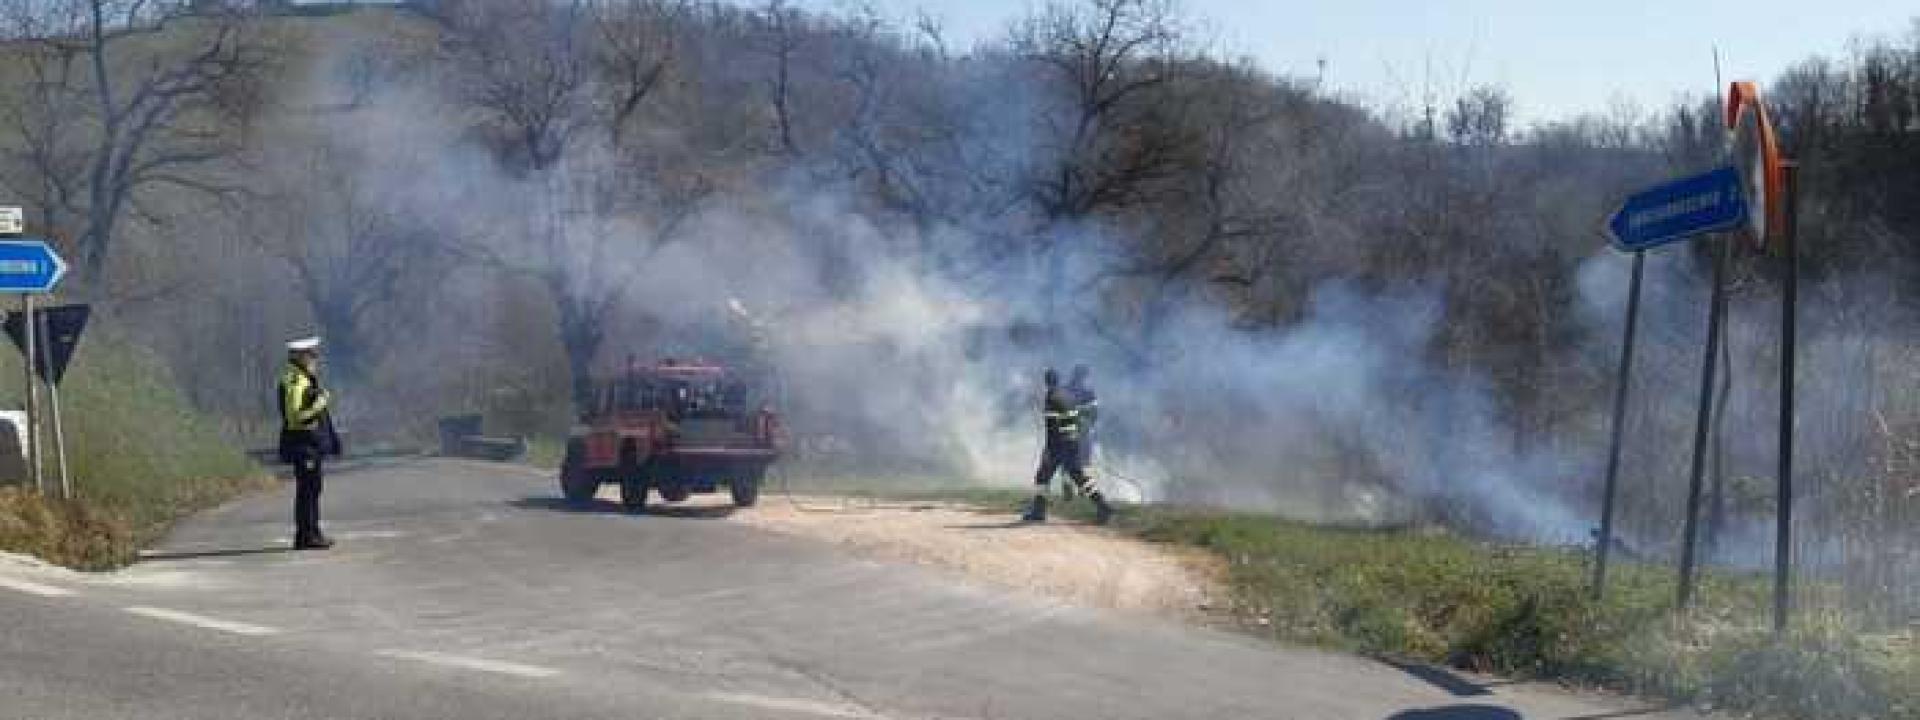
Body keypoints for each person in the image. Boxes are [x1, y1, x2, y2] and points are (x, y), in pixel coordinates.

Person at [1024, 367, 1113, 525]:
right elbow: (1077, 420)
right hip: (1072, 442)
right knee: (1079, 477)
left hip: (1059, 445)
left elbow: (1052, 428)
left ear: (1046, 382)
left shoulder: (1051, 397)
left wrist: (1048, 451)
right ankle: (1102, 505)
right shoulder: (1067, 395)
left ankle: (1039, 511)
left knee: (1043, 475)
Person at [278, 336, 340, 550]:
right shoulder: (296, 380)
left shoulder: (302, 377)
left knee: (312, 489)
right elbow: (295, 417)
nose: (315, 358)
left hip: (309, 444)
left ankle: (312, 533)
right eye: (311, 354)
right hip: (303, 444)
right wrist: (320, 403)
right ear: (300, 356)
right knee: (308, 491)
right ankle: (307, 536)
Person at [1061, 364, 1098, 500]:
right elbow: (1094, 414)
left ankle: (1068, 485)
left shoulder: (1063, 390)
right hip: (1082, 432)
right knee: (1083, 462)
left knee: (1068, 461)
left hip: (1066, 431)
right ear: (1085, 377)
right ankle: (1080, 487)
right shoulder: (1089, 393)